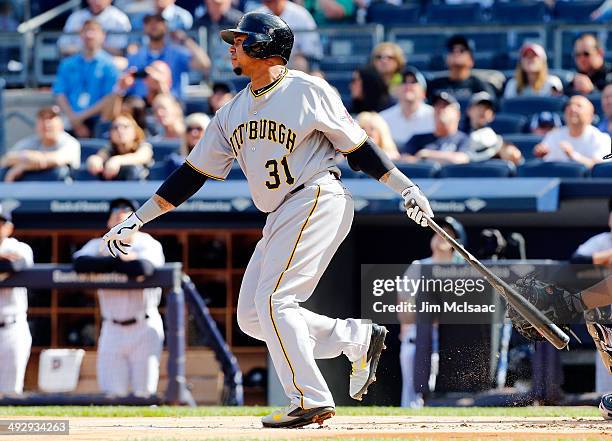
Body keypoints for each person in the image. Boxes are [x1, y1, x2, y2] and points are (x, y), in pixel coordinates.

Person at [101, 12, 433, 428]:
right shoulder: (231, 111)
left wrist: (405, 187)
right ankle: (355, 337)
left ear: (264, 45)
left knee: (276, 301)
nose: (231, 47)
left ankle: (309, 398)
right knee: (254, 318)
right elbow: (191, 174)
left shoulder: (307, 89)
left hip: (316, 195)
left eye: (240, 40)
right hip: (279, 211)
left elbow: (359, 149)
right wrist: (139, 218)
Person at [73, 198, 165, 397]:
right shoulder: (98, 244)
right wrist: (118, 260)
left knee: (145, 394)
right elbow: (79, 263)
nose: (119, 215)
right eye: (115, 213)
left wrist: (107, 263)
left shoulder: (148, 244)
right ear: (108, 223)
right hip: (112, 328)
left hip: (144, 327)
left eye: (125, 213)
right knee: (111, 394)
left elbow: (143, 268)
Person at [397, 217, 465, 408]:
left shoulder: (461, 268)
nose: (440, 237)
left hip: (450, 339)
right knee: (411, 396)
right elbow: (403, 299)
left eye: (447, 234)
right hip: (417, 335)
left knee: (437, 392)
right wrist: (406, 326)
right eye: (438, 233)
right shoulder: (419, 265)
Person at [54, 20, 120, 138]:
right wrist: (74, 120)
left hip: (97, 120)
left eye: (94, 31)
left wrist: (80, 118)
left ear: (103, 36)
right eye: (86, 31)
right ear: (80, 35)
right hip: (70, 119)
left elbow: (110, 97)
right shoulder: (67, 64)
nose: (89, 35)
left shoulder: (110, 65)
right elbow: (59, 93)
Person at [126, 13, 210, 100]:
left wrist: (184, 39)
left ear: (166, 26)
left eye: (158, 21)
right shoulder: (136, 56)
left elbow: (204, 64)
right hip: (141, 108)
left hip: (171, 105)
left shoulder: (177, 53)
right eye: (148, 22)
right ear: (144, 27)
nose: (153, 25)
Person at [0, 204, 34, 396]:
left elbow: (17, 264)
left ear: (9, 227)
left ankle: (8, 428)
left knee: (11, 392)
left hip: (12, 328)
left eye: (0, 223)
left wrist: (6, 262)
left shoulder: (19, 247)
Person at [0, 106, 81, 182]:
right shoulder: (32, 141)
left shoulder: (70, 142)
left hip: (64, 193)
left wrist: (23, 166)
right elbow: (6, 159)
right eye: (42, 119)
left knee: (59, 171)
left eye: (51, 118)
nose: (47, 123)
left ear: (61, 124)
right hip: (30, 192)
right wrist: (27, 156)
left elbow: (57, 160)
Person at [533, 95, 610, 169]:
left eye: (579, 106)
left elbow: (600, 168)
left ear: (590, 115)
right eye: (569, 105)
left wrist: (573, 155)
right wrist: (540, 154)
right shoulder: (553, 135)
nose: (572, 108)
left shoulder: (601, 138)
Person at [404, 92, 469, 164]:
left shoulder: (464, 139)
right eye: (437, 105)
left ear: (457, 114)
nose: (440, 109)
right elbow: (404, 160)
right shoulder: (417, 138)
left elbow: (462, 159)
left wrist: (427, 155)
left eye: (445, 105)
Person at [427, 35, 496, 102]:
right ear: (446, 60)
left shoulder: (480, 86)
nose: (456, 52)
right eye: (452, 50)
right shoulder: (435, 85)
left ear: (471, 60)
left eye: (462, 50)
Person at [86, 113, 153, 180]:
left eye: (125, 126)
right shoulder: (109, 148)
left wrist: (117, 160)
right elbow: (100, 157)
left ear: (135, 131)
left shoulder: (143, 146)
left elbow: (142, 157)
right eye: (115, 127)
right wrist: (94, 160)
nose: (120, 130)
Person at [380, 67, 434, 147]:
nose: (408, 85)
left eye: (413, 82)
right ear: (396, 90)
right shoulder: (383, 118)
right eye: (403, 82)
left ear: (424, 92)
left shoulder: (435, 116)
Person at [58, 0, 131, 56]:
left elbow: (121, 52)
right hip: (78, 63)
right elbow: (62, 48)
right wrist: (86, 48)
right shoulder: (76, 17)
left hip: (109, 63)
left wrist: (94, 45)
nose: (96, 0)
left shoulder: (119, 18)